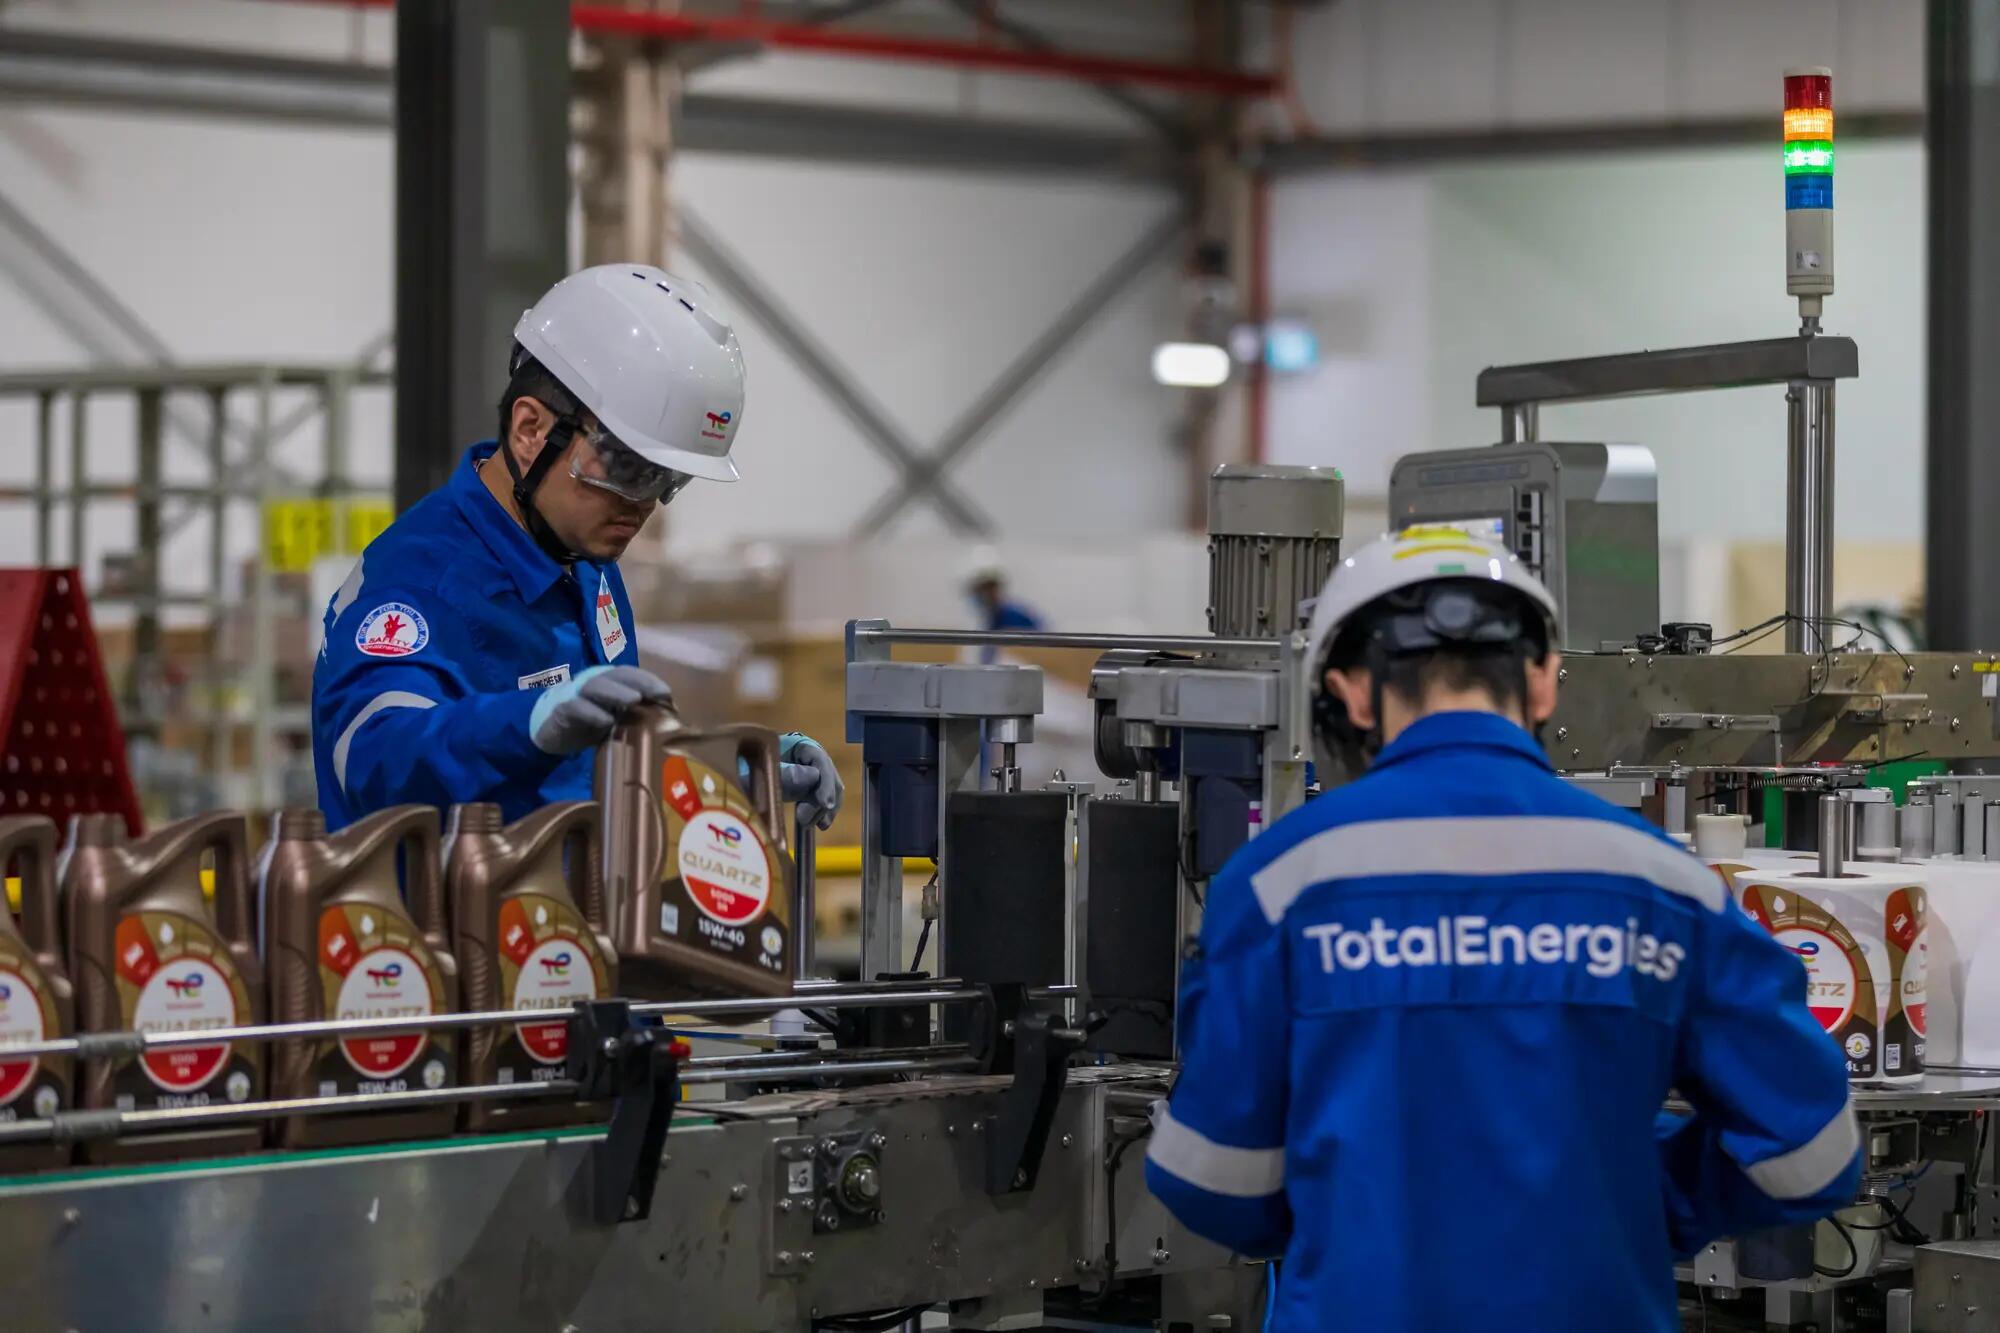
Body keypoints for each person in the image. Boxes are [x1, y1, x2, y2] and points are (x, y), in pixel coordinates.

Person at [1144, 527, 1859, 1331]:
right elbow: (1814, 1154)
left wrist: (1352, 1217)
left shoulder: (1279, 884)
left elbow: (1209, 1175)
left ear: (1348, 692)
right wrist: (1637, 1195)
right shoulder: (1666, 886)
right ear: (1544, 683)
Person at [312, 264, 842, 832]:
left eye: (666, 480)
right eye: (628, 468)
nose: (642, 506)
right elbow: (371, 759)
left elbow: (602, 767)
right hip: (445, 919)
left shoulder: (586, 565)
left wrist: (736, 769)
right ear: (530, 430)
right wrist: (527, 723)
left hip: (570, 912)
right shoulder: (417, 584)